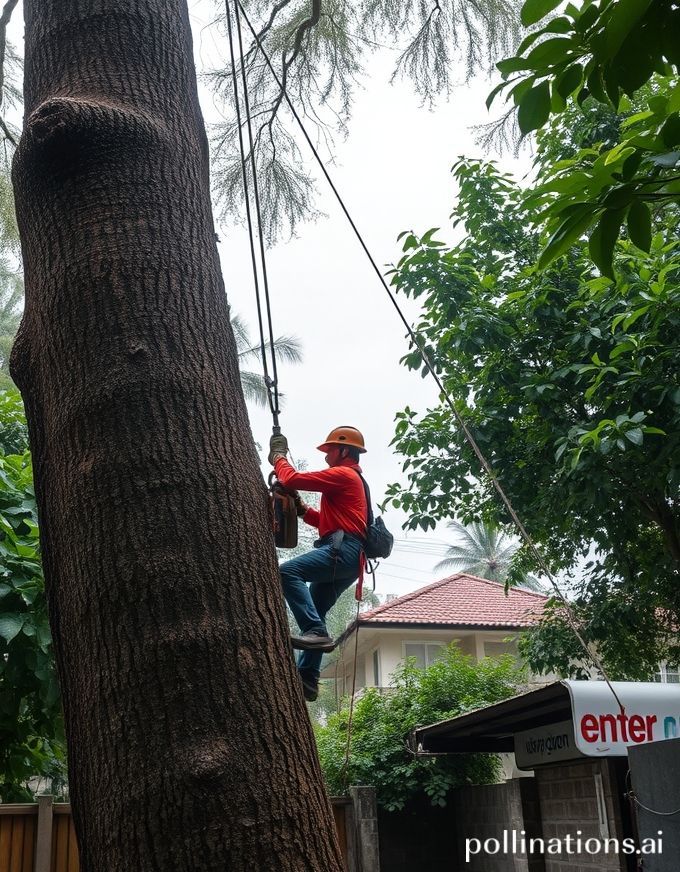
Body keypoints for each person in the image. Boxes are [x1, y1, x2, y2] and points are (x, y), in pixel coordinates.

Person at [268, 426, 368, 702]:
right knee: (317, 606)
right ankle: (308, 678)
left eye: (330, 450)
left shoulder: (344, 474)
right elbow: (326, 523)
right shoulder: (352, 481)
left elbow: (294, 477)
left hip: (342, 551)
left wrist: (278, 457)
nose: (326, 456)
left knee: (288, 571)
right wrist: (301, 509)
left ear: (345, 451)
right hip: (348, 556)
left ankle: (314, 632)